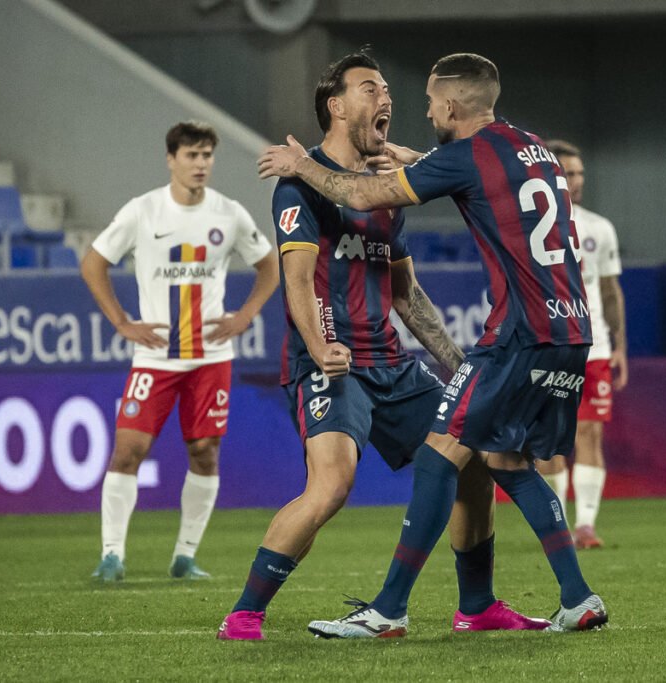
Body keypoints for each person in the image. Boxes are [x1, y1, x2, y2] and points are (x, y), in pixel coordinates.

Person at [258, 52, 608, 636]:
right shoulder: (533, 147)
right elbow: (479, 178)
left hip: (518, 331)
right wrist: (421, 161)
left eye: (426, 100)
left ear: (449, 105)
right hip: (571, 330)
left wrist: (301, 165)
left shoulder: (464, 156)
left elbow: (363, 197)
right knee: (504, 458)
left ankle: (389, 610)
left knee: (437, 454)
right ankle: (575, 597)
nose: (420, 109)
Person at [81, 121, 279, 582]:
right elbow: (93, 263)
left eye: (207, 155)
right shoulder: (142, 211)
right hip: (156, 357)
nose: (201, 164)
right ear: (171, 159)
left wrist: (244, 315)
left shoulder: (228, 214)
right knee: (129, 448)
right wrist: (121, 322)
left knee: (206, 451)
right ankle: (112, 555)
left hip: (211, 356)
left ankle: (185, 556)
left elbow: (269, 265)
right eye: (192, 155)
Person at [536, 140, 627, 550]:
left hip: (595, 347)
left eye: (579, 174)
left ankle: (585, 525)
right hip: (550, 345)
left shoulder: (600, 227)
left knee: (589, 433)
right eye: (567, 173)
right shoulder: (533, 225)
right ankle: (556, 528)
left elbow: (610, 291)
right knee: (551, 439)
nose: (575, 181)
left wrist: (620, 345)